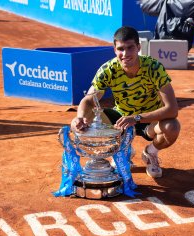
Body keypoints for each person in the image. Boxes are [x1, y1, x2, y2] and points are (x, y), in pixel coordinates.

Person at [71, 26, 180, 179]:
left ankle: (151, 153)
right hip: (120, 118)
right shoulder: (108, 69)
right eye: (121, 49)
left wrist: (136, 118)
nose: (125, 54)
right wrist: (80, 117)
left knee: (172, 127)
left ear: (139, 47)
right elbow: (89, 100)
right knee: (87, 116)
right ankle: (123, 149)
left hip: (149, 120)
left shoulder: (154, 68)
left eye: (130, 48)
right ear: (114, 50)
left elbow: (172, 109)